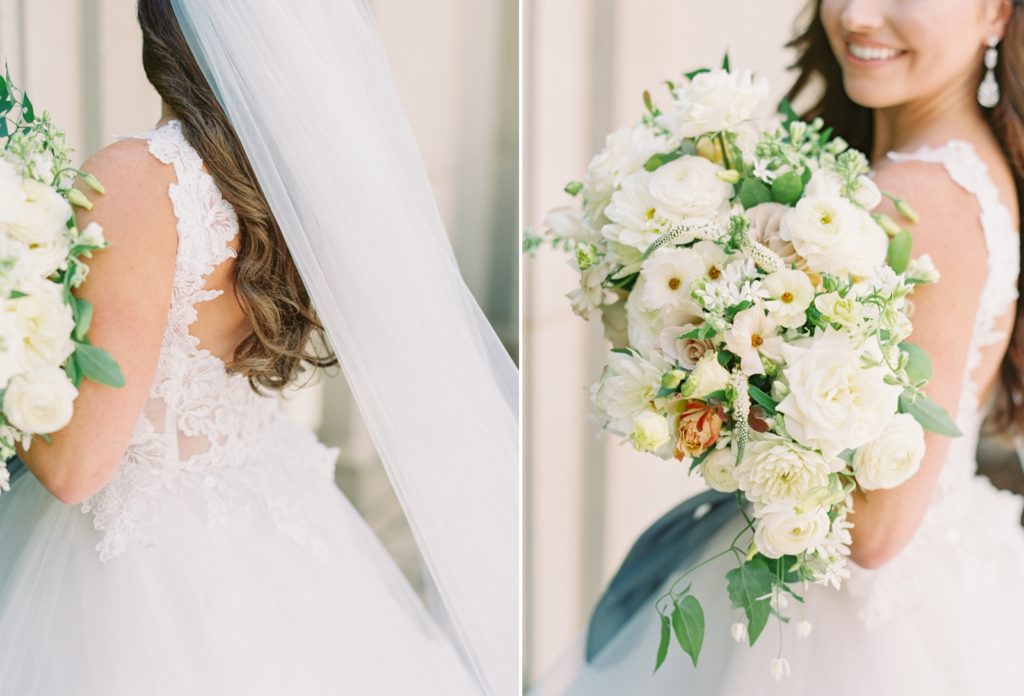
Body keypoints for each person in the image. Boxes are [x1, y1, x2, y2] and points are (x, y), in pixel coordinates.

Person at [0, 1, 517, 694]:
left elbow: (74, 471)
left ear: (160, 30)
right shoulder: (300, 186)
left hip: (135, 568)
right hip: (278, 528)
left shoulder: (138, 180)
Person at [536, 0, 1024, 693]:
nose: (857, 15)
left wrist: (717, 373)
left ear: (996, 12)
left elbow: (878, 532)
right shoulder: (946, 167)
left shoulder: (923, 197)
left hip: (843, 635)